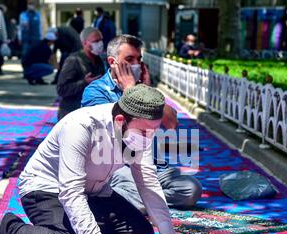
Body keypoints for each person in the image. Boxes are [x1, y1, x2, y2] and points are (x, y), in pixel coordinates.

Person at [0, 84, 198, 234]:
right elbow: (71, 192)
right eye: (143, 131)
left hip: (96, 191)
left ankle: (82, 231)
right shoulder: (81, 126)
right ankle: (7, 230)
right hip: (47, 190)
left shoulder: (143, 131)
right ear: (120, 120)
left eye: (153, 131)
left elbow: (148, 182)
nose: (149, 137)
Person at [82, 35, 203, 213]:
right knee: (136, 200)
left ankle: (137, 198)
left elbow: (171, 123)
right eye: (129, 59)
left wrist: (145, 90)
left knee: (191, 190)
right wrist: (132, 91)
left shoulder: (141, 87)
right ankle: (138, 198)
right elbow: (115, 133)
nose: (136, 64)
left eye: (139, 59)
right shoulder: (96, 91)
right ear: (112, 62)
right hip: (118, 166)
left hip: (152, 165)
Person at [56, 27, 105, 120]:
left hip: (90, 112)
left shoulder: (99, 60)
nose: (100, 44)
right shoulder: (73, 60)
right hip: (71, 113)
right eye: (96, 41)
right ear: (84, 43)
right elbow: (61, 89)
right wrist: (84, 83)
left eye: (101, 40)